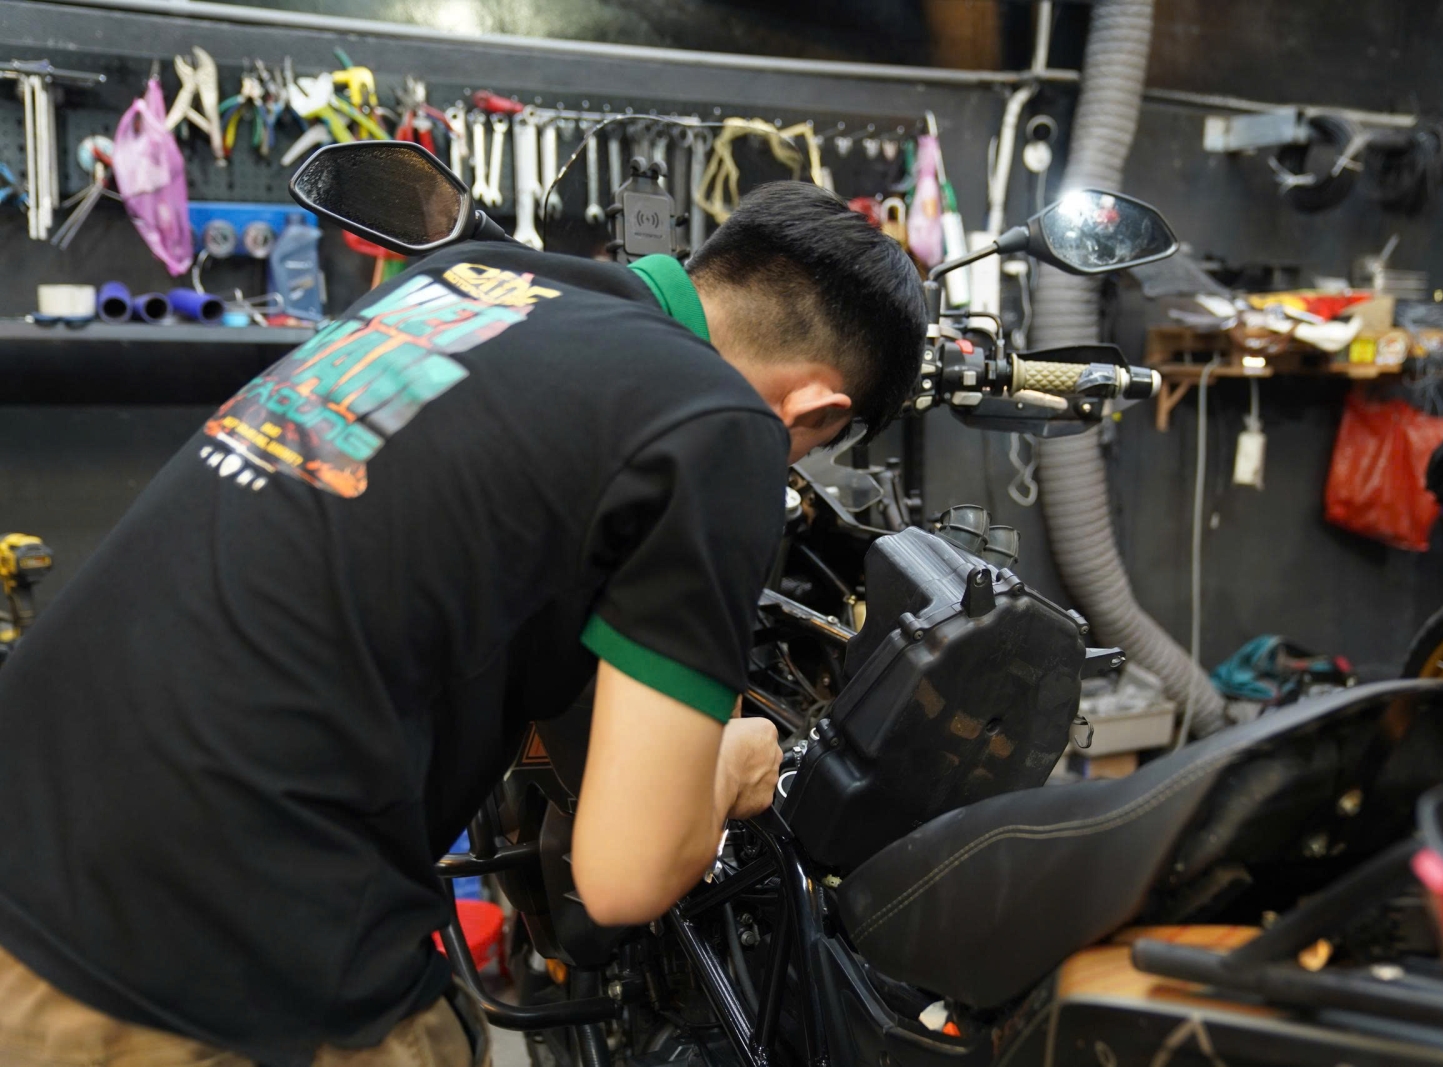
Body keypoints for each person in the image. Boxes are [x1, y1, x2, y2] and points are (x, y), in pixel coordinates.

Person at [0, 180, 926, 1066]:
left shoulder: (468, 276)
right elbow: (626, 875)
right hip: (197, 944)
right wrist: (733, 763)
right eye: (805, 448)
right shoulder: (724, 422)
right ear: (817, 407)